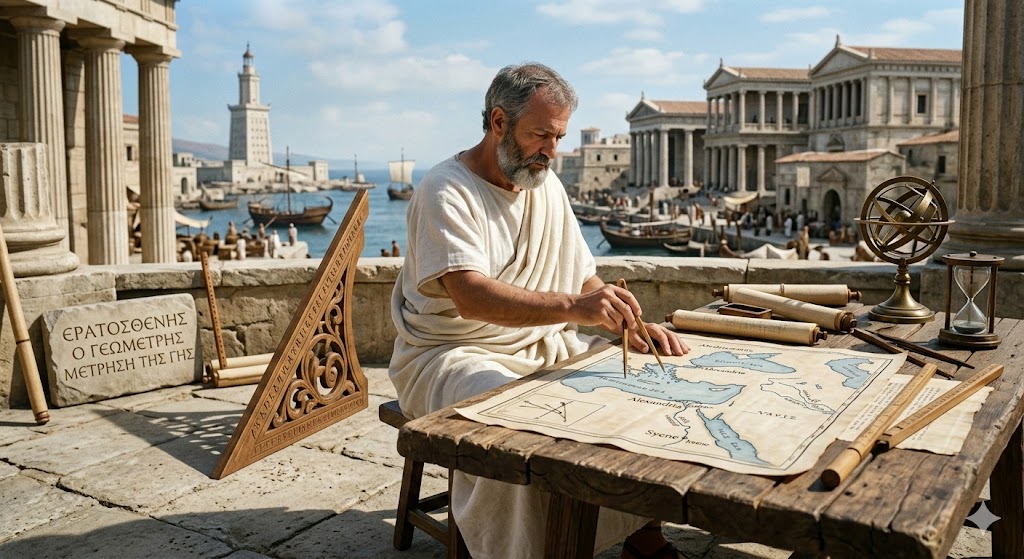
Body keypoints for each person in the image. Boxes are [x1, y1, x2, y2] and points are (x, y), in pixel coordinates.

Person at [388, 62, 690, 559]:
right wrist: (577, 307)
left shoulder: (544, 185)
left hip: (541, 344)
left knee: (639, 385)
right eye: (541, 135)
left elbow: (579, 274)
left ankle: (641, 533)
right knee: (512, 425)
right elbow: (470, 296)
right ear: (499, 122)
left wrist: (624, 324)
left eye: (559, 137)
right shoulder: (446, 189)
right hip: (449, 356)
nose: (552, 151)